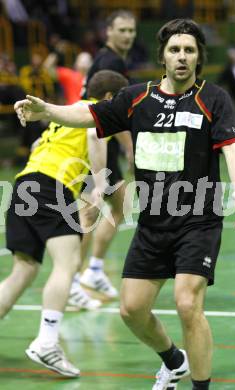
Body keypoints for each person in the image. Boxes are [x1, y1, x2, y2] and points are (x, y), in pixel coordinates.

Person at [14, 18, 235, 389]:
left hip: (197, 221)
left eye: (189, 50)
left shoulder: (213, 98)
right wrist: (49, 110)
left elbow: (233, 146)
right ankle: (173, 361)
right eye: (175, 50)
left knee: (187, 304)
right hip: (153, 224)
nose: (182, 56)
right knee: (131, 309)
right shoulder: (138, 97)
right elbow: (89, 114)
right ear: (163, 56)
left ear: (198, 57)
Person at [2, 70, 128, 377]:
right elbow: (91, 135)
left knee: (24, 269)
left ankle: (47, 340)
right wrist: (98, 186)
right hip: (51, 188)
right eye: (123, 101)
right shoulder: (92, 113)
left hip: (24, 185)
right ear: (110, 98)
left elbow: (35, 150)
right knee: (68, 262)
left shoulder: (64, 115)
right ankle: (47, 342)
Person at [79, 9, 136, 300]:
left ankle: (93, 270)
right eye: (122, 30)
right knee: (89, 210)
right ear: (108, 31)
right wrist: (130, 146)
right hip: (98, 140)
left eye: (131, 30)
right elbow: (113, 110)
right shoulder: (110, 61)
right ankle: (75, 279)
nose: (128, 35)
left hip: (105, 139)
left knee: (120, 202)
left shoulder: (110, 60)